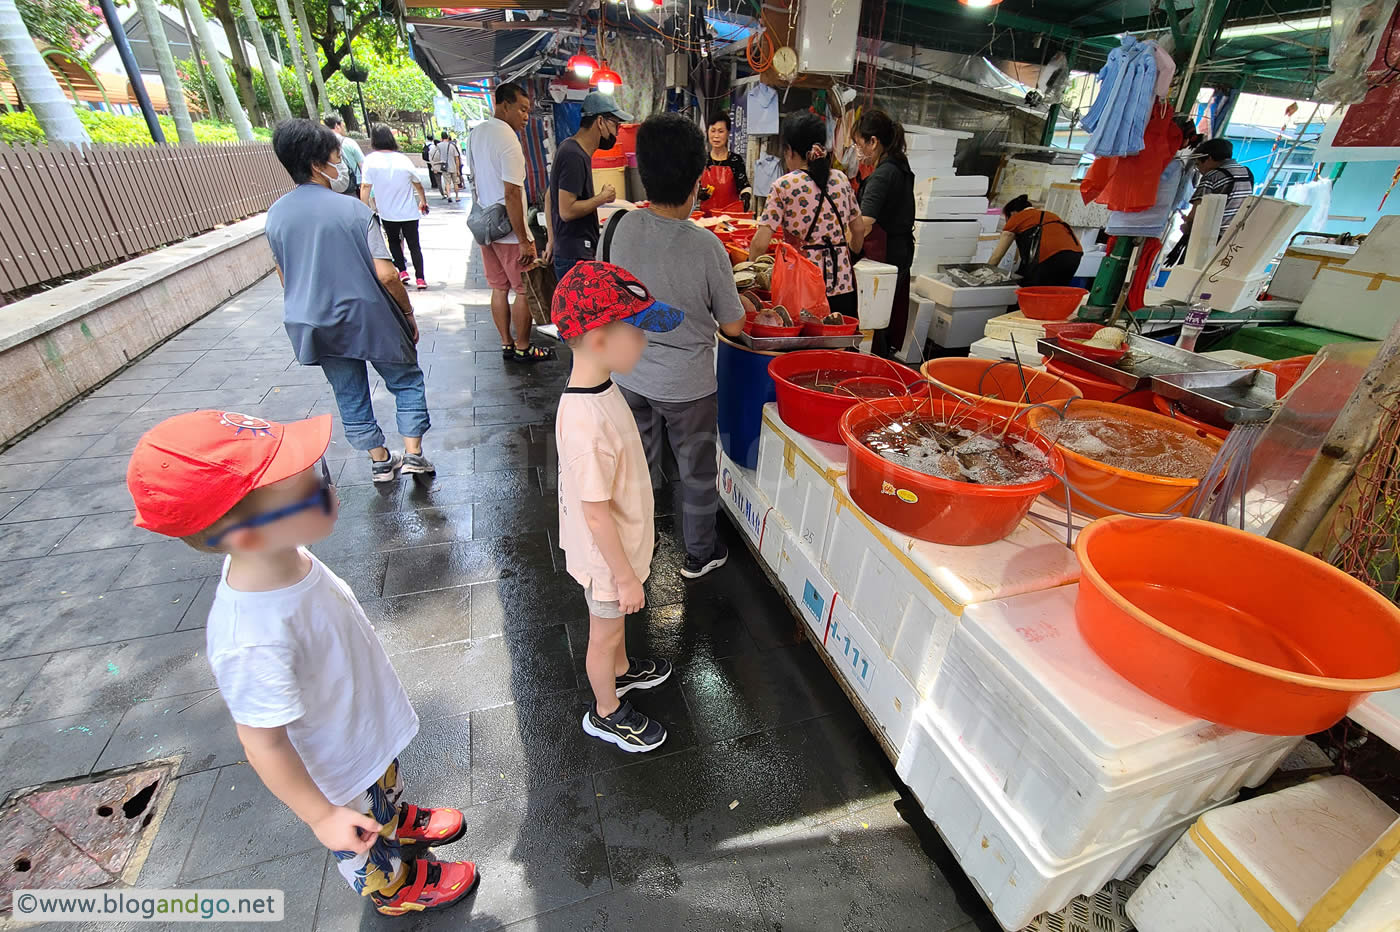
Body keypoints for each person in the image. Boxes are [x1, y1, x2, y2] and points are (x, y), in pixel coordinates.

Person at [125, 410, 479, 916]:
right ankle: (395, 888)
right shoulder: (251, 637)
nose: (328, 490)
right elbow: (262, 742)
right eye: (310, 490)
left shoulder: (280, 550)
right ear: (245, 535)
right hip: (335, 770)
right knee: (360, 836)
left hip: (359, 726)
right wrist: (320, 816)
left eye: (321, 478)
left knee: (383, 785)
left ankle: (393, 818)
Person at [605, 113, 747, 579]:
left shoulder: (619, 226)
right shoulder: (706, 246)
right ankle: (699, 553)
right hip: (687, 386)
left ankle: (639, 541)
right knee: (697, 470)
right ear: (696, 182)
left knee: (639, 464)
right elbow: (733, 325)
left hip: (629, 373)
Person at [552, 260, 684, 751]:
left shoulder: (604, 388)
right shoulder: (585, 423)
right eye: (638, 330)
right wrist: (624, 576)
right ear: (600, 339)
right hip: (608, 560)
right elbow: (593, 512)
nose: (645, 341)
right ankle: (605, 710)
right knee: (603, 635)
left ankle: (624, 671)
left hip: (621, 547)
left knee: (616, 632)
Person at [266, 119, 434, 483]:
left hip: (314, 320)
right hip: (368, 316)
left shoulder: (276, 214)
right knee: (405, 379)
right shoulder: (353, 210)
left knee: (348, 391)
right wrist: (407, 312)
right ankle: (414, 453)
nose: (341, 164)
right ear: (316, 164)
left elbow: (285, 274)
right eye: (336, 157)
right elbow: (387, 274)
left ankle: (379, 460)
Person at [469, 82, 555, 363]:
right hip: (508, 230)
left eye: (528, 111)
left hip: (484, 225)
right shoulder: (508, 139)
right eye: (522, 109)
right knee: (523, 288)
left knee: (498, 287)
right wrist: (524, 239)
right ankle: (522, 346)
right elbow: (512, 192)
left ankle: (506, 343)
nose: (526, 116)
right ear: (503, 104)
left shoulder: (476, 133)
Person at [749, 112, 865, 317]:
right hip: (843, 285)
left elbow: (760, 243)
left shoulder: (784, 185)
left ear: (789, 151)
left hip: (803, 288)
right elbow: (858, 228)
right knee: (838, 347)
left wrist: (751, 275)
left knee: (805, 348)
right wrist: (850, 254)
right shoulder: (841, 179)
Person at [544, 91, 630, 282]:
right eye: (615, 125)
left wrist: (552, 239)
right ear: (600, 122)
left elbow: (551, 196)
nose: (616, 132)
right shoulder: (574, 155)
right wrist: (603, 197)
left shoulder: (569, 147)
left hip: (570, 251)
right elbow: (566, 211)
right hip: (575, 257)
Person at [853, 109, 916, 358]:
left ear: (873, 142)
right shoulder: (901, 166)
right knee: (887, 313)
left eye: (859, 144)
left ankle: (873, 363)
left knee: (874, 315)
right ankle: (883, 359)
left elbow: (865, 222)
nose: (858, 151)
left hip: (884, 252)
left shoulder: (882, 175)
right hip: (900, 250)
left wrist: (851, 244)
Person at [361, 125, 430, 292]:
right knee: (414, 245)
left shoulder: (371, 161)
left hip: (387, 212)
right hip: (409, 212)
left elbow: (365, 187)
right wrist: (423, 201)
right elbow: (418, 184)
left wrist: (364, 209)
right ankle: (420, 278)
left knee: (393, 242)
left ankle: (403, 271)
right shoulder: (403, 159)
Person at [988, 195, 1084, 287]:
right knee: (1053, 292)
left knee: (1030, 290)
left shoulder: (1017, 218)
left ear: (1012, 213)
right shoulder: (1049, 215)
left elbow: (997, 255)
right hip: (1075, 256)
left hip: (1050, 257)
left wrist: (986, 273)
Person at [700, 111, 750, 213]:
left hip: (730, 218)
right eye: (713, 131)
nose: (716, 136)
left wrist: (746, 196)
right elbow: (692, 187)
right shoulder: (702, 159)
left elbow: (744, 186)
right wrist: (699, 193)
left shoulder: (735, 160)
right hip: (705, 219)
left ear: (728, 133)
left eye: (721, 131)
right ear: (707, 132)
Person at [323, 114, 363, 197]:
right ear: (337, 126)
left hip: (334, 188)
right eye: (342, 125)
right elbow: (362, 165)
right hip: (354, 186)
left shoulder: (322, 145)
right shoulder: (348, 142)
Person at [434, 132, 462, 204]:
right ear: (447, 137)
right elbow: (456, 158)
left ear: (441, 138)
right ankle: (457, 197)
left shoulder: (439, 145)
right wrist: (458, 169)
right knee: (455, 182)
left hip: (444, 167)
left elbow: (435, 154)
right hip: (453, 166)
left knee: (447, 183)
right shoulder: (452, 146)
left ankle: (449, 196)